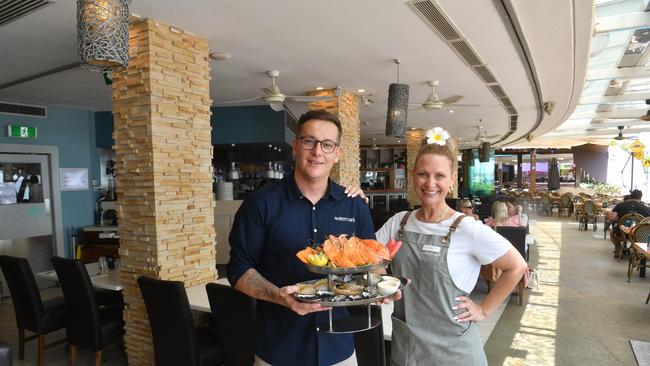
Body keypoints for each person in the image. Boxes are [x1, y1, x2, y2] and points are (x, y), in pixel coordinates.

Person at [227, 109, 377, 366]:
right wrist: (280, 297)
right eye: (309, 141)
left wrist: (380, 288)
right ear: (295, 147)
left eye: (327, 144)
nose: (318, 152)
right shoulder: (260, 204)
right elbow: (239, 270)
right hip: (279, 350)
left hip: (339, 349)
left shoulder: (354, 206)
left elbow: (372, 265)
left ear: (337, 153)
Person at [375, 127, 527, 365]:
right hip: (408, 351)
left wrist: (484, 309)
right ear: (413, 175)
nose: (430, 183)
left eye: (440, 176)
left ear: (452, 179)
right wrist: (381, 284)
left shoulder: (467, 228)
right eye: (423, 174)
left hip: (454, 352)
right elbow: (370, 259)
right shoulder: (399, 222)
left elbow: (516, 266)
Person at [607, 189, 650, 257]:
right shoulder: (646, 208)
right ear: (641, 197)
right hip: (639, 235)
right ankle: (638, 251)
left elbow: (611, 218)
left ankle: (618, 248)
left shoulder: (620, 205)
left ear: (630, 196)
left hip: (622, 233)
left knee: (612, 231)